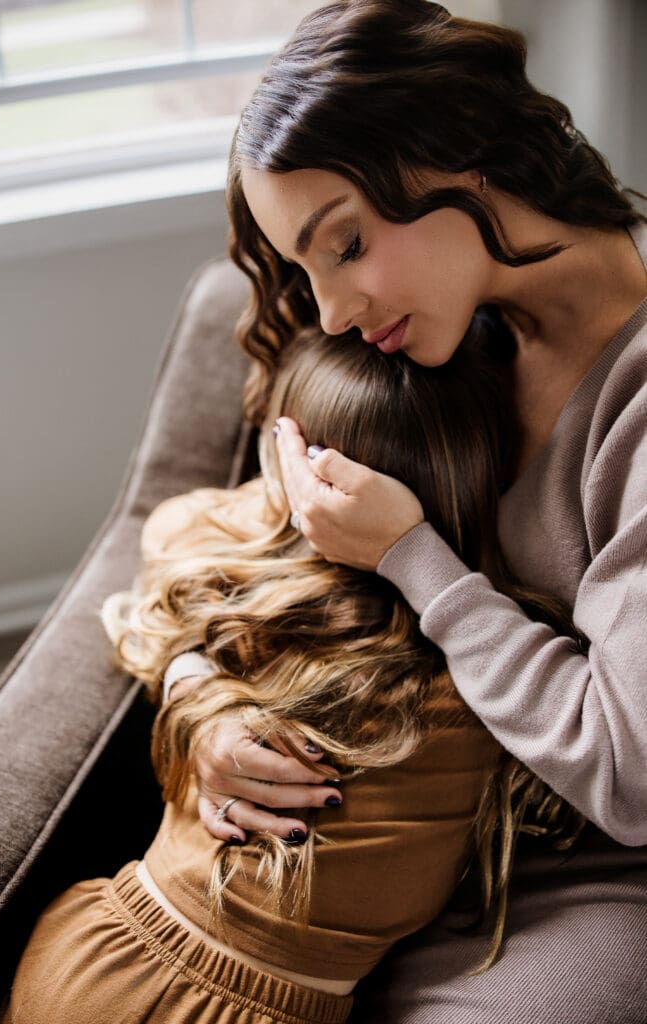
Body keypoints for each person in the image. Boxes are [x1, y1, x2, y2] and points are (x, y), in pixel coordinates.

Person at [178, 2, 647, 1021]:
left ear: (458, 155)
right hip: (400, 829)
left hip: (584, 880)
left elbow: (628, 773)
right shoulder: (447, 334)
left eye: (343, 244)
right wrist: (200, 708)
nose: (332, 312)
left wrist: (410, 556)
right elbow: (201, 539)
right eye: (304, 269)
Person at [0, 322, 582, 1024]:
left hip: (97, 951)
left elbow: (171, 523)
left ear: (294, 477)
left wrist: (192, 672)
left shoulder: (252, 597)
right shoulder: (498, 671)